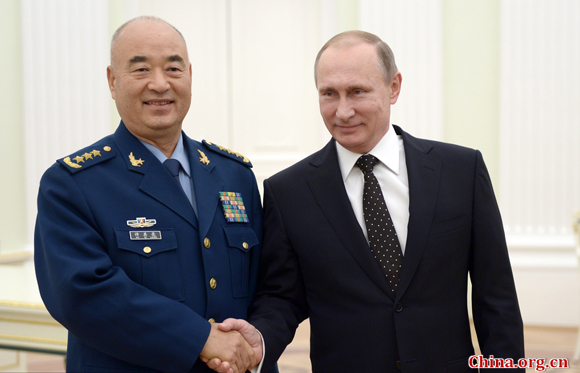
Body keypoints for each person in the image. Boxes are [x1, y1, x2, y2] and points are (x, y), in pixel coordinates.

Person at [209, 30, 525, 372]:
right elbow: (282, 296)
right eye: (329, 94)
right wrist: (262, 340)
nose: (343, 111)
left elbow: (497, 300)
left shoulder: (461, 171)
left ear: (394, 87)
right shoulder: (289, 192)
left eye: (357, 92)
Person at [34, 16, 276, 373]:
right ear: (112, 82)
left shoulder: (234, 175)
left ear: (190, 75)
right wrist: (200, 338)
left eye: (173, 68)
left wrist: (257, 345)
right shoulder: (72, 184)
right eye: (141, 69)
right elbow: (82, 294)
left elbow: (267, 285)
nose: (160, 84)